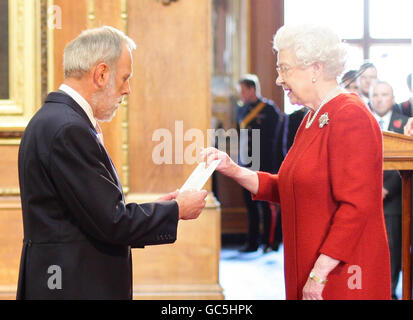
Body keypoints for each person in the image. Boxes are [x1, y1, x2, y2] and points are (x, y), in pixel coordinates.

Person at [17, 26, 208, 299]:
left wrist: (162, 207)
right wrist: (176, 210)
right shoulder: (68, 128)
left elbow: (95, 212)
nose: (127, 90)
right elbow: (112, 222)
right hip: (72, 286)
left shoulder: (56, 119)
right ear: (101, 74)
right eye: (125, 78)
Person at [202, 24, 391, 300]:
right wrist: (232, 168)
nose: (279, 79)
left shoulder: (350, 115)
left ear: (315, 69)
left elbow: (357, 205)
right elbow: (292, 186)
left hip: (342, 274)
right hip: (310, 266)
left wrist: (319, 273)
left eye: (284, 68)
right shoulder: (312, 116)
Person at [236, 74, 284, 253]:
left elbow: (277, 139)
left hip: (264, 163)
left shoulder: (269, 109)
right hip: (246, 163)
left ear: (252, 89)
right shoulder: (241, 110)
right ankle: (252, 242)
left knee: (266, 204)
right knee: (250, 205)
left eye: (243, 91)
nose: (241, 95)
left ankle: (269, 241)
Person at [370, 80, 409, 299]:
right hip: (365, 196)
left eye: (384, 95)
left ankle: (390, 291)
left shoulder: (405, 123)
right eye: (375, 95)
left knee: (393, 249)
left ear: (392, 99)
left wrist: (385, 188)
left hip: (393, 198)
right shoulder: (363, 122)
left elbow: (404, 160)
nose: (379, 99)